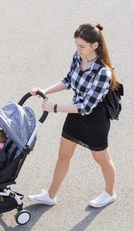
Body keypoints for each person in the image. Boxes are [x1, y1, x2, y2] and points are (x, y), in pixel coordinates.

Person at [27, 23, 118, 208]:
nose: (78, 49)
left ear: (95, 45)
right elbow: (68, 80)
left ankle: (109, 193)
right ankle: (50, 195)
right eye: (76, 45)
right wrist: (44, 91)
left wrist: (54, 108)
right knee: (63, 155)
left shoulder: (103, 73)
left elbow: (86, 107)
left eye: (82, 46)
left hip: (95, 119)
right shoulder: (78, 56)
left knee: (101, 159)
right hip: (74, 113)